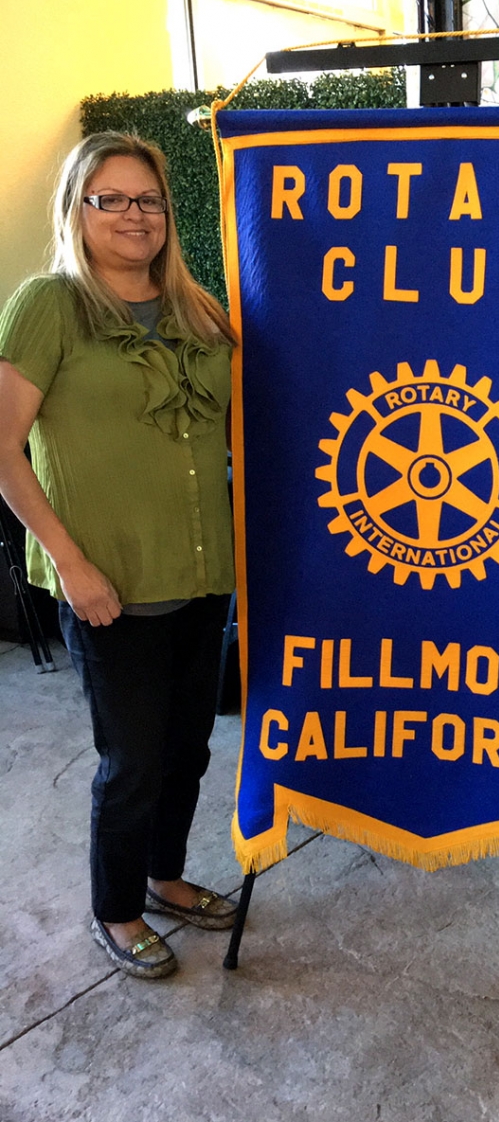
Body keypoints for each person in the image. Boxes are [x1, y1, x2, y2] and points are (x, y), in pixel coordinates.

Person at [0, 132, 239, 980]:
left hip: (203, 572)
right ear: (78, 209)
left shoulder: (198, 309)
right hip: (109, 583)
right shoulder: (49, 305)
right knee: (131, 759)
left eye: (150, 200)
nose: (136, 217)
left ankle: (167, 876)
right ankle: (117, 907)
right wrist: (69, 562)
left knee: (189, 747)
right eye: (113, 199)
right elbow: (3, 450)